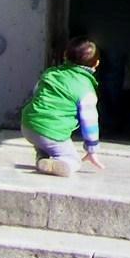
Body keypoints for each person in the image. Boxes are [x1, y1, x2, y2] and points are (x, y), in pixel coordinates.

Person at [17, 36, 104, 175]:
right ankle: (61, 163)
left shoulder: (50, 73)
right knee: (74, 160)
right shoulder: (86, 89)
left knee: (44, 137)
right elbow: (90, 122)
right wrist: (91, 149)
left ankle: (42, 156)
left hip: (28, 125)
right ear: (96, 64)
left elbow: (36, 93)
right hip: (51, 132)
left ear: (65, 56)